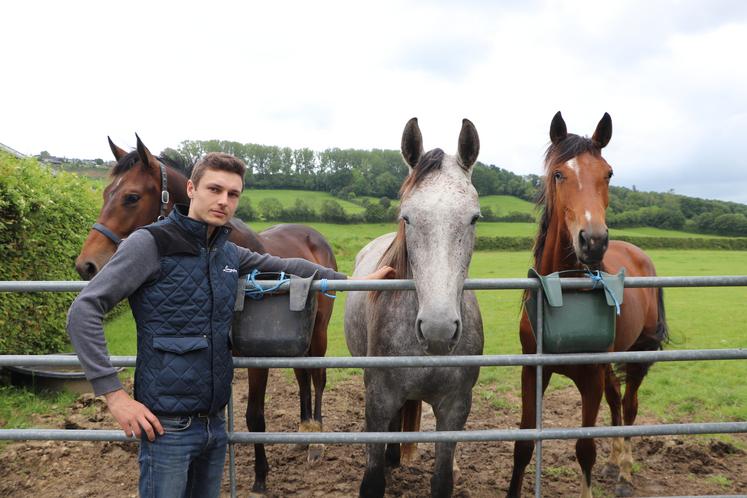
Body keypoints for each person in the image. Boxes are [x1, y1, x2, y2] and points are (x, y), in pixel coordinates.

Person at [66, 152, 393, 498]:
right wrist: (115, 397)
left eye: (233, 194)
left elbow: (287, 265)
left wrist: (354, 280)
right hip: (167, 428)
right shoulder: (148, 244)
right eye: (214, 189)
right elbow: (84, 310)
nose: (223, 201)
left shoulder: (227, 253)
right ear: (191, 189)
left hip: (214, 424)